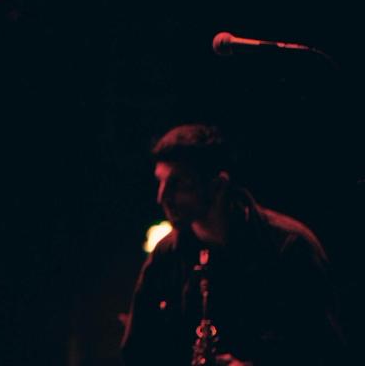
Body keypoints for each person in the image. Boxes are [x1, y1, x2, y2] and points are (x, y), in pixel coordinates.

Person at [121, 123, 346, 365]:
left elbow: (326, 353)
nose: (161, 196)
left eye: (178, 183)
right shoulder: (165, 256)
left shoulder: (289, 247)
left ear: (217, 185)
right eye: (161, 181)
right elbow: (136, 353)